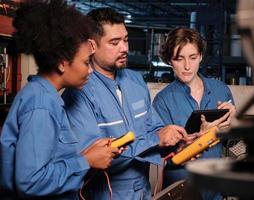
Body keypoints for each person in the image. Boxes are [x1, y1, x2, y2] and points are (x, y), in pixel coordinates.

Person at [62, 7, 188, 200]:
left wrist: (176, 145)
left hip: (143, 191)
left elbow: (154, 128)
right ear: (91, 45)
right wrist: (156, 140)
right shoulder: (79, 92)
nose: (125, 48)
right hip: (105, 193)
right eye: (115, 42)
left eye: (126, 40)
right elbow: (94, 158)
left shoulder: (135, 81)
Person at [0, 1, 120, 199]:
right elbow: (30, 182)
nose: (90, 70)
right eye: (85, 62)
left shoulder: (44, 96)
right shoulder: (41, 104)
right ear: (62, 63)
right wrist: (86, 162)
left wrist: (87, 154)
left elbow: (50, 161)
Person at [152, 27, 236, 199]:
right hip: (182, 190)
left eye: (193, 57)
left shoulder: (221, 91)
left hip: (215, 189)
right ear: (169, 60)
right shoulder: (162, 101)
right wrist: (203, 138)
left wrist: (235, 123)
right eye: (179, 59)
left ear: (201, 57)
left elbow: (231, 143)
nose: (187, 66)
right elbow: (163, 158)